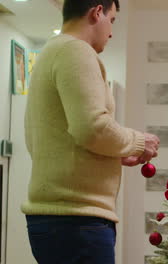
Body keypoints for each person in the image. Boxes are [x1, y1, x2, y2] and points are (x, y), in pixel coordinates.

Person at [22, 0, 160, 263]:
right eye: (113, 20)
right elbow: (93, 128)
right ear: (97, 12)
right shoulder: (76, 51)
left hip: (59, 219)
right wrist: (139, 142)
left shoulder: (52, 51)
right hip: (77, 220)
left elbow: (62, 135)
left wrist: (116, 155)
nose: (111, 32)